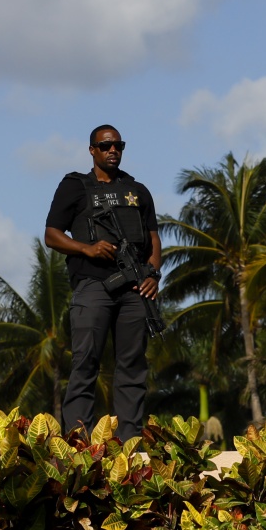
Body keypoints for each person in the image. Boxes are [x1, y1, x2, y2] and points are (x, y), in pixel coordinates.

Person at [44, 124, 160, 440]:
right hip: (93, 286)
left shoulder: (138, 191)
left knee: (133, 368)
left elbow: (153, 237)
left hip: (134, 288)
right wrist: (87, 248)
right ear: (92, 150)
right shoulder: (75, 186)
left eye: (118, 145)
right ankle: (79, 443)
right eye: (105, 146)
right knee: (85, 364)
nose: (113, 151)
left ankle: (129, 442)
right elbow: (51, 235)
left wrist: (153, 276)